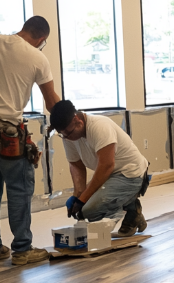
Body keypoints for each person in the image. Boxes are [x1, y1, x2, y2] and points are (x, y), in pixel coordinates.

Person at [0, 16, 61, 265]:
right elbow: (51, 102)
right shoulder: (38, 58)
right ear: (41, 39)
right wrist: (67, 117)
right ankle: (22, 249)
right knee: (19, 188)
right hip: (7, 131)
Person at [49, 101, 150, 236]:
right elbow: (76, 165)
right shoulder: (69, 135)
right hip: (110, 176)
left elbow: (106, 165)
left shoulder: (99, 126)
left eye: (68, 133)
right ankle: (130, 206)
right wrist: (77, 195)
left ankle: (132, 210)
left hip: (131, 174)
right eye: (63, 135)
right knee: (83, 210)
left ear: (77, 120)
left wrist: (83, 200)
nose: (66, 138)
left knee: (90, 210)